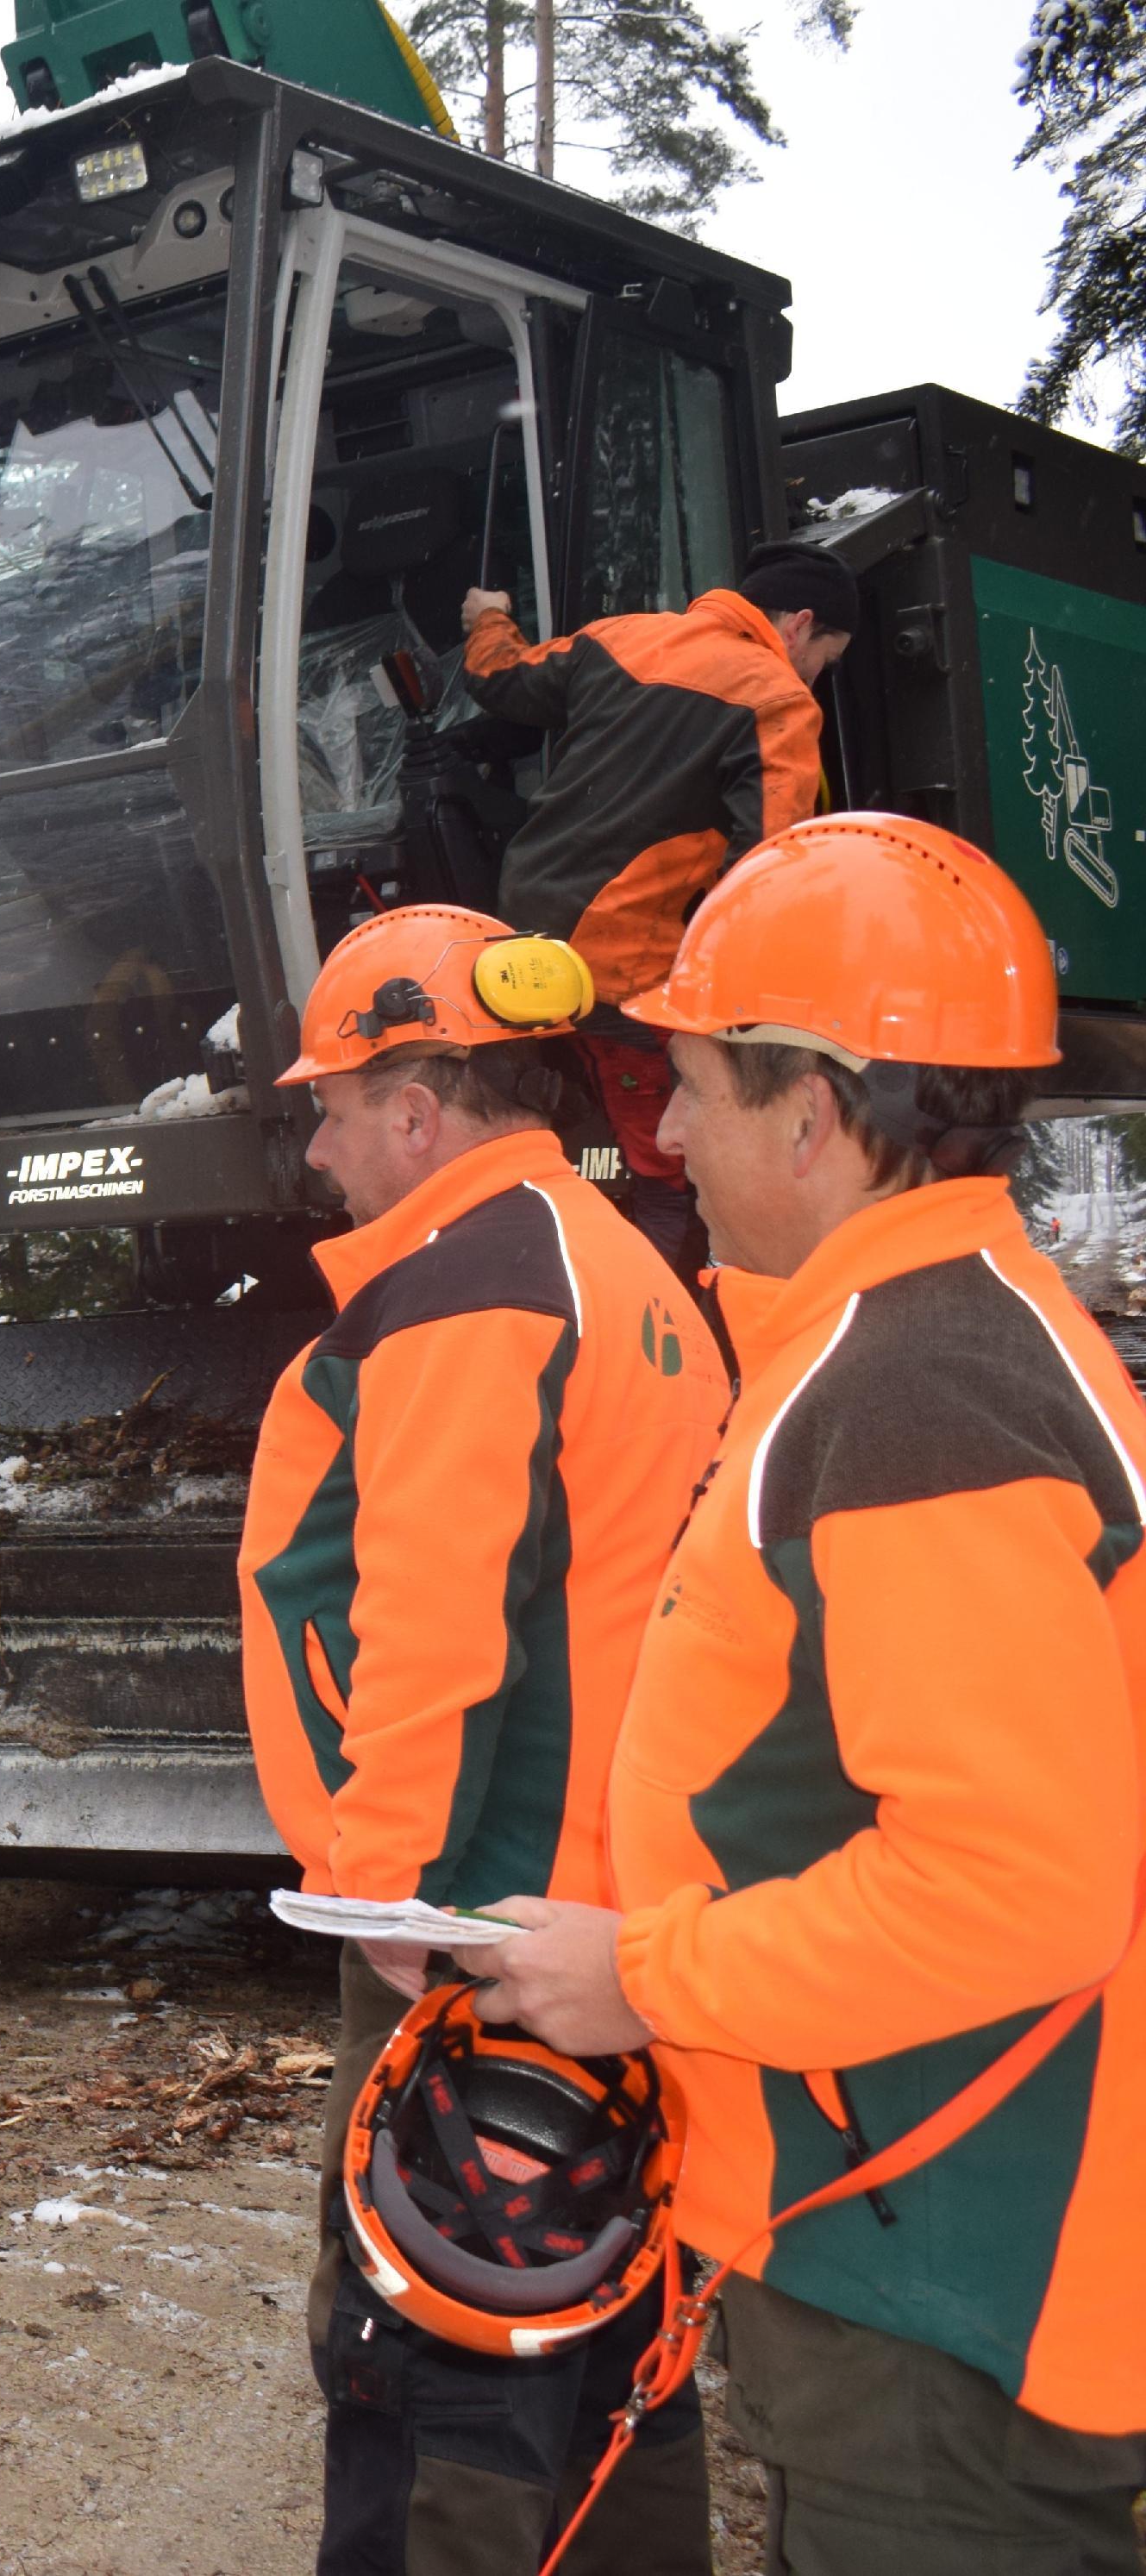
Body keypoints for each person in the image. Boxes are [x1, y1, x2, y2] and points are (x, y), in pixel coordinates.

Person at [480, 813, 1146, 2574]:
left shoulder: (922, 1392)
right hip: (915, 2227)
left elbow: (1012, 1885)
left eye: (692, 1085)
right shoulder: (905, 1342)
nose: (664, 1134)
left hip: (951, 2290)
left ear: (815, 1111)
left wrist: (644, 1976)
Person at [239, 906, 734, 2575]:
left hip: (482, 1936)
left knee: (428, 2377)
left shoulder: (470, 1284)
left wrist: (390, 1903)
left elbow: (436, 1621)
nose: (319, 1153)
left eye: (330, 1110)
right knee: (606, 2364)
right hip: (602, 1926)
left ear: (415, 1107)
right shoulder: (617, 1262)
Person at [458, 543, 855, 1269]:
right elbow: (769, 869)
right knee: (670, 1171)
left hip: (522, 937)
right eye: (827, 657)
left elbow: (499, 676)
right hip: (620, 969)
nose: (817, 675)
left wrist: (488, 616)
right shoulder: (776, 699)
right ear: (799, 625)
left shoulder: (621, 637)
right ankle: (663, 1313)